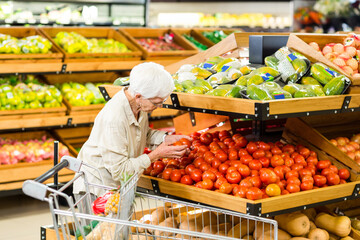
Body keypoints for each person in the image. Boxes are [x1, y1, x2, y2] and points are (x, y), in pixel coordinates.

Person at [73, 62, 191, 200]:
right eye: (156, 102)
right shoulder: (114, 119)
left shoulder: (138, 105)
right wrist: (155, 155)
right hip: (97, 190)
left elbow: (141, 133)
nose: (159, 106)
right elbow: (120, 171)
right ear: (138, 96)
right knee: (100, 223)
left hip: (118, 188)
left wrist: (165, 139)